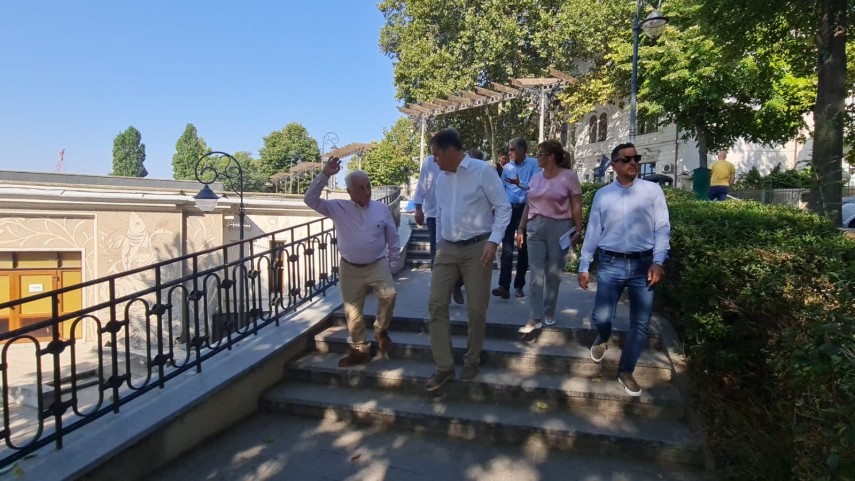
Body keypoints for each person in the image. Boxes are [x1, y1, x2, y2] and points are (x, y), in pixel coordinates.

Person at [577, 142, 670, 397]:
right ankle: (603, 336)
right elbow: (593, 231)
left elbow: (662, 227)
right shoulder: (603, 195)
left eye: (636, 158)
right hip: (611, 263)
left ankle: (626, 371)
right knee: (601, 317)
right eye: (626, 159)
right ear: (614, 165)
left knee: (640, 324)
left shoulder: (652, 191)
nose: (633, 163)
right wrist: (584, 265)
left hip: (643, 265)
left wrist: (659, 261)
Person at [424, 128, 511, 391]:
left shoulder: (482, 171)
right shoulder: (440, 179)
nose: (434, 160)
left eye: (436, 155)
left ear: (450, 151)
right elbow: (441, 215)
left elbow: (503, 207)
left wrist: (493, 241)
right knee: (436, 304)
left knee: (476, 309)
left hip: (478, 248)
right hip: (447, 248)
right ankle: (444, 367)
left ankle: (472, 359)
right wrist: (439, 246)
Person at [304, 157, 400, 367]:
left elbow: (393, 239)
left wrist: (392, 266)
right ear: (349, 191)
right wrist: (325, 174)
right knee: (353, 312)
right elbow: (310, 200)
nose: (366, 191)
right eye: (361, 188)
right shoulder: (338, 207)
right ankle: (360, 349)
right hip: (349, 268)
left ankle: (380, 330)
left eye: (368, 186)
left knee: (390, 294)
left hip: (377, 264)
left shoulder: (381, 209)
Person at [515, 140, 583, 334]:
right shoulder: (536, 177)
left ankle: (549, 311)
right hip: (535, 227)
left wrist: (578, 230)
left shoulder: (569, 176)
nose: (537, 157)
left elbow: (576, 205)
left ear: (551, 156)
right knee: (536, 273)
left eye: (540, 154)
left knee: (553, 274)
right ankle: (534, 317)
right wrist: (520, 229)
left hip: (559, 227)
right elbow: (528, 204)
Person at [413, 153, 465, 304]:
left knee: (459, 253)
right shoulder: (429, 161)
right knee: (437, 254)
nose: (436, 158)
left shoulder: (459, 160)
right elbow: (422, 184)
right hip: (433, 214)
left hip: (455, 215)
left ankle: (457, 284)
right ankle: (441, 291)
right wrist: (418, 208)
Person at [493, 137, 539, 299]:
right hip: (509, 210)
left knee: (522, 249)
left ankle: (519, 285)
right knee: (506, 249)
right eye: (509, 149)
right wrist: (499, 207)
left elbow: (536, 187)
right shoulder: (507, 167)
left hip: (525, 210)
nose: (509, 153)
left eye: (512, 149)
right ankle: (503, 286)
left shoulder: (534, 164)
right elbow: (501, 188)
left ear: (522, 150)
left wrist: (520, 184)